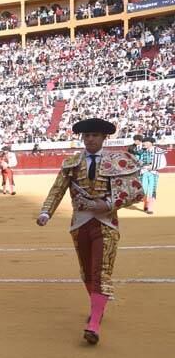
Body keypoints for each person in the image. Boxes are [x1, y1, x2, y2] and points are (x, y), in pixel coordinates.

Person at [37, 118, 144, 345]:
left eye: (95, 135)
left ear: (104, 137)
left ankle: (94, 323)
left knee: (101, 272)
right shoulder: (72, 163)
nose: (90, 139)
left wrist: (107, 204)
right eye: (87, 135)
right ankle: (98, 307)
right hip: (80, 224)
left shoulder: (118, 161)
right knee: (87, 272)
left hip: (106, 224)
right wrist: (46, 212)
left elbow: (136, 191)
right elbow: (57, 189)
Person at [138, 137, 167, 214]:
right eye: (143, 142)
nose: (143, 143)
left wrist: (154, 167)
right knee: (143, 189)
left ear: (151, 143)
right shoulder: (141, 151)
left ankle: (150, 208)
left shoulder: (158, 151)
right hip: (143, 172)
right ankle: (146, 205)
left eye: (146, 142)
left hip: (153, 173)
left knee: (152, 190)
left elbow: (163, 163)